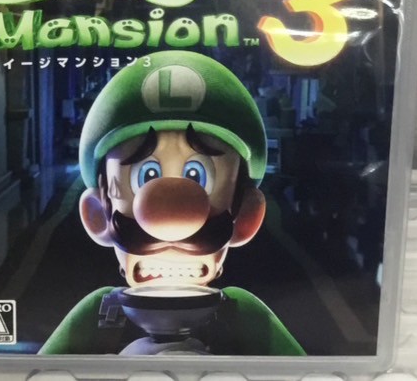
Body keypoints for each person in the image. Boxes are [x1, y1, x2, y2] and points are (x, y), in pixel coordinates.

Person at [41, 50, 302, 355]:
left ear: (245, 216)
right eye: (147, 175)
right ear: (97, 215)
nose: (171, 221)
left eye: (197, 176)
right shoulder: (99, 316)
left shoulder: (242, 315)